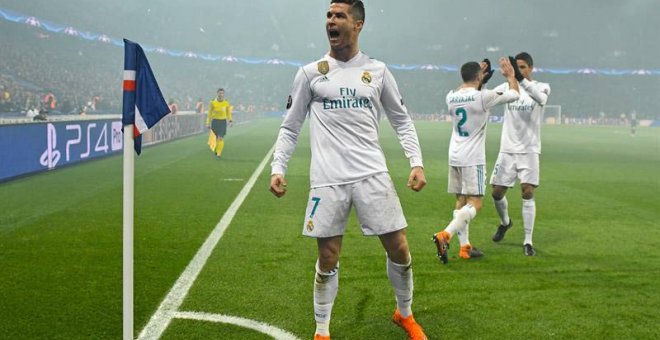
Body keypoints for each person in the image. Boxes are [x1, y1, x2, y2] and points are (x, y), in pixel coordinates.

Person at [269, 1, 427, 339]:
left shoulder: (378, 71)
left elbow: (401, 120)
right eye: (328, 16)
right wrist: (277, 167)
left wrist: (416, 162)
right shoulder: (310, 73)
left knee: (398, 246)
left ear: (358, 24)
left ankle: (405, 314)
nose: (331, 21)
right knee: (328, 255)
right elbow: (290, 126)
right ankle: (322, 330)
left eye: (339, 16)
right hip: (328, 178)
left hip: (372, 173)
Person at [432, 58, 520, 264]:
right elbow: (515, 95)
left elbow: (463, 87)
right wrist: (510, 77)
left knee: (461, 201)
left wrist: (476, 75)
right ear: (480, 77)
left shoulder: (451, 96)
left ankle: (465, 248)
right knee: (476, 203)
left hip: (454, 155)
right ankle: (445, 235)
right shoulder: (483, 97)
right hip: (473, 158)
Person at [490, 52, 551, 256]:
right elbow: (488, 98)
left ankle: (527, 241)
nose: (520, 71)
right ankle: (505, 223)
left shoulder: (541, 86)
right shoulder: (507, 87)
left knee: (527, 191)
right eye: (518, 67)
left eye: (523, 67)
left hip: (529, 150)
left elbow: (540, 99)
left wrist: (519, 78)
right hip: (507, 150)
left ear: (531, 68)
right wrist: (480, 84)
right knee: (496, 193)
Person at [206, 88, 233, 158]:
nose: (221, 95)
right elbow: (209, 113)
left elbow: (228, 113)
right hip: (215, 121)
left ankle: (219, 153)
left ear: (224, 94)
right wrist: (208, 123)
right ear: (217, 93)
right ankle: (216, 149)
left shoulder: (226, 103)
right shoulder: (212, 102)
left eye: (222, 93)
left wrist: (230, 121)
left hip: (222, 122)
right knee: (214, 139)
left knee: (220, 138)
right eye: (220, 93)